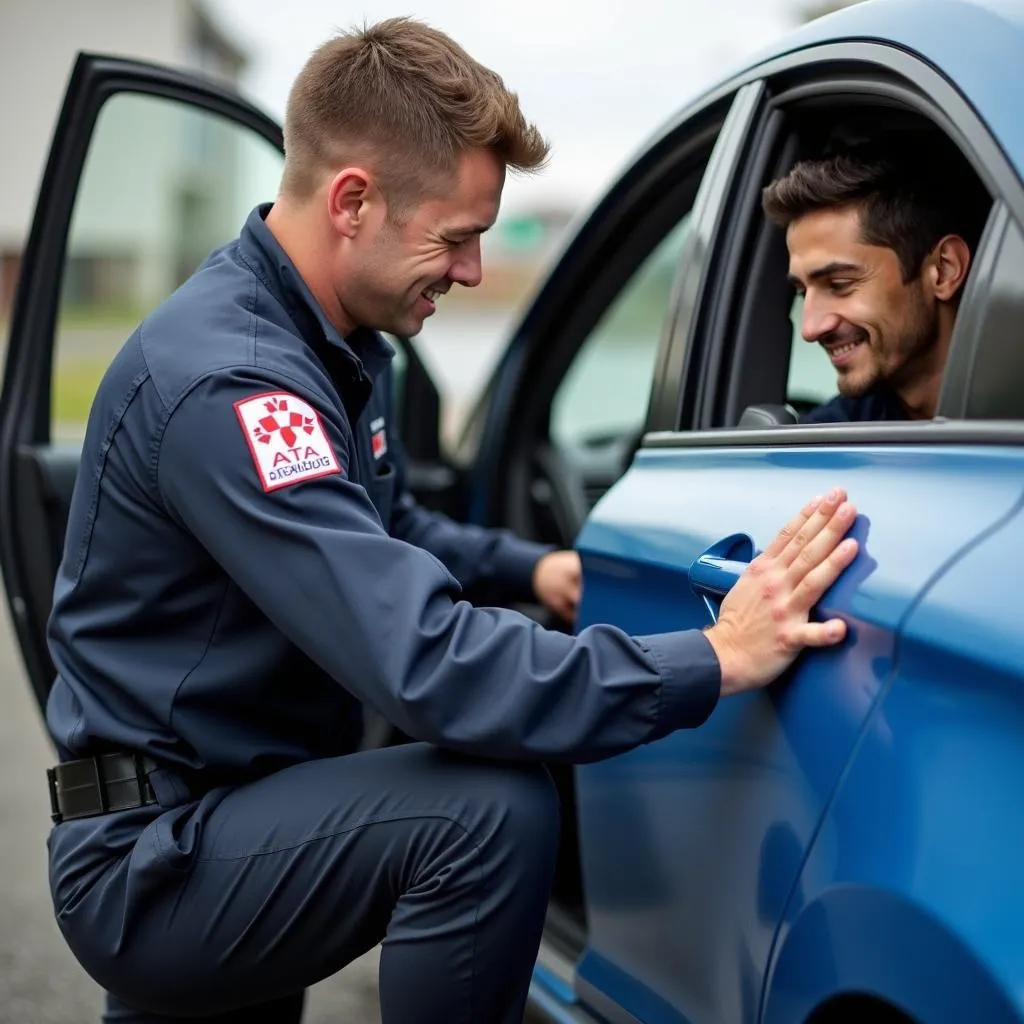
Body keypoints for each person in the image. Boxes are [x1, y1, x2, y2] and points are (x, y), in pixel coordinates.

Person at [45, 19, 859, 1024]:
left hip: (237, 810)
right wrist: (713, 657)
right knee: (484, 811)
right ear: (353, 202)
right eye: (457, 237)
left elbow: (385, 530)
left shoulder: (330, 342)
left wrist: (538, 569)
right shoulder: (236, 387)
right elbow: (425, 662)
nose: (473, 271)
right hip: (161, 860)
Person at [761, 139, 990, 423]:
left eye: (840, 284)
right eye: (801, 293)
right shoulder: (829, 446)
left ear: (944, 270)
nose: (810, 329)